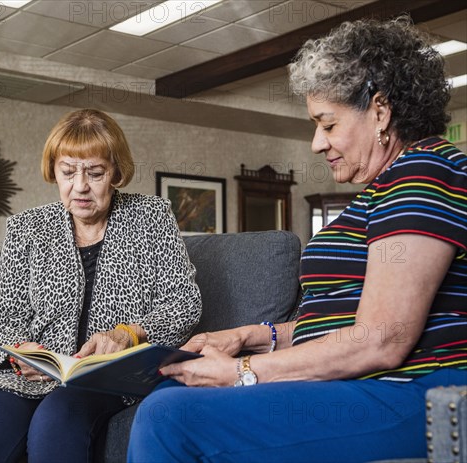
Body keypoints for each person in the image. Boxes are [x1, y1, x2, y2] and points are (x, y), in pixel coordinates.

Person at [127, 16, 467, 463]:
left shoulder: (422, 172)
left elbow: (380, 339)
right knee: (172, 387)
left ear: (380, 111)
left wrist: (241, 372)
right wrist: (248, 335)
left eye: (327, 124)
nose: (315, 143)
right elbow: (340, 320)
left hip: (416, 392)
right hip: (369, 384)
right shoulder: (384, 189)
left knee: (170, 418)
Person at [0, 109, 202, 462]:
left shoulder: (151, 216)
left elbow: (184, 303)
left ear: (115, 173)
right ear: (54, 171)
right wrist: (22, 353)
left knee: (58, 419)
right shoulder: (28, 228)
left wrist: (127, 333)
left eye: (95, 173)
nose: (80, 186)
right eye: (67, 172)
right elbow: (2, 318)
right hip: (31, 376)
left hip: (108, 376)